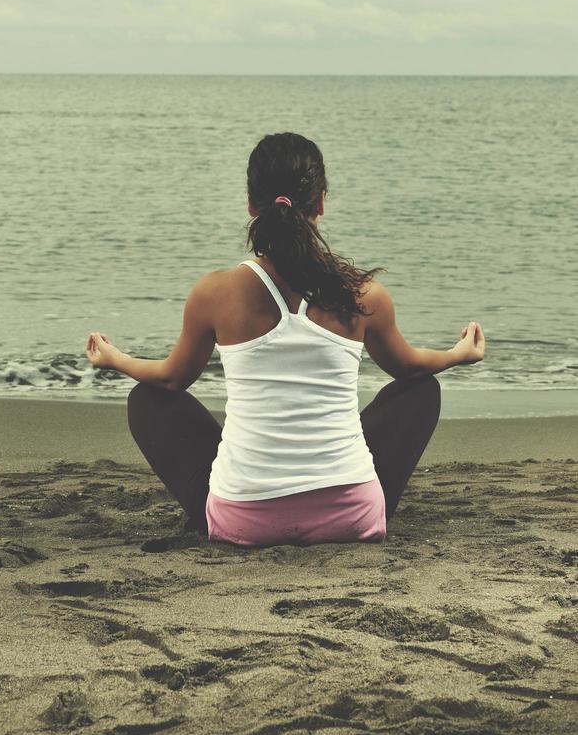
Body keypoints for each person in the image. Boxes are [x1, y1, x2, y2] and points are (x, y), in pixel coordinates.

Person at [86, 132, 485, 547]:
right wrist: (458, 354)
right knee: (421, 390)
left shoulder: (215, 293)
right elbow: (409, 367)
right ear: (322, 203)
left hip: (244, 523)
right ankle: (360, 504)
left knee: (147, 399)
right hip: (351, 518)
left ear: (250, 204)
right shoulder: (363, 295)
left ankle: (222, 516)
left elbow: (170, 379)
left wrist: (115, 359)